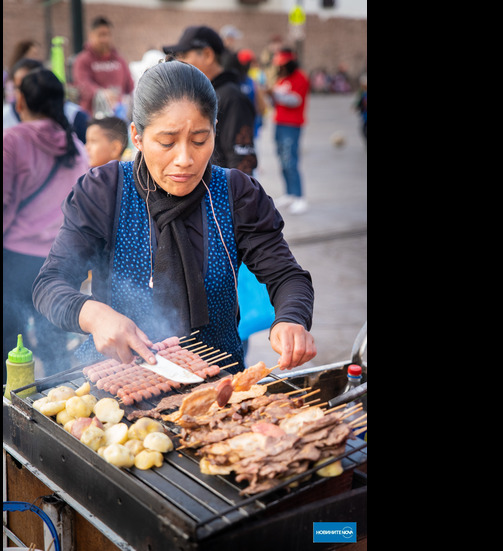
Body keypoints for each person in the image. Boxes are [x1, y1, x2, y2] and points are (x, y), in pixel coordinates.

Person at [32, 60, 317, 374]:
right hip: (118, 384)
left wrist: (290, 319)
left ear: (215, 131)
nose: (185, 160)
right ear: (137, 137)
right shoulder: (104, 190)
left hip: (216, 385)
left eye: (199, 140)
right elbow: (50, 284)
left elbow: (287, 276)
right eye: (167, 143)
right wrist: (94, 315)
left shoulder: (237, 194)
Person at [4, 68, 91, 382]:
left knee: (9, 341)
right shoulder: (76, 146)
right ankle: (57, 405)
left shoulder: (13, 140)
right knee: (54, 340)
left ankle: (10, 409)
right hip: (62, 260)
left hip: (16, 260)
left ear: (22, 100)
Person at [163, 25, 257, 176]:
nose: (179, 62)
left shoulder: (232, 98)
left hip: (219, 195)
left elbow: (242, 159)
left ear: (207, 55)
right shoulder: (202, 94)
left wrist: (236, 197)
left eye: (184, 55)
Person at [4, 58, 90, 143]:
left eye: (30, 86)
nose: (22, 93)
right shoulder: (7, 119)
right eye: (18, 88)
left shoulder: (75, 116)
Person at [268, 48, 310, 215]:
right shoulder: (281, 78)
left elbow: (295, 100)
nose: (281, 67)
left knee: (290, 160)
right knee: (282, 160)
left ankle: (300, 197)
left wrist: (276, 95)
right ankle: (290, 194)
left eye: (283, 64)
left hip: (292, 125)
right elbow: (275, 103)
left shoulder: (300, 77)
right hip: (279, 122)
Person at [72, 16, 135, 119]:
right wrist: (102, 94)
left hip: (119, 118)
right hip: (92, 119)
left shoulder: (120, 60)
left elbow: (130, 86)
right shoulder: (82, 60)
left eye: (108, 34)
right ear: (91, 36)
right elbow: (82, 84)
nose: (105, 39)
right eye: (101, 35)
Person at [355, 73, 367, 146]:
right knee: (363, 131)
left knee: (364, 130)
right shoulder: (363, 94)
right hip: (364, 116)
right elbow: (360, 103)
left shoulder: (364, 94)